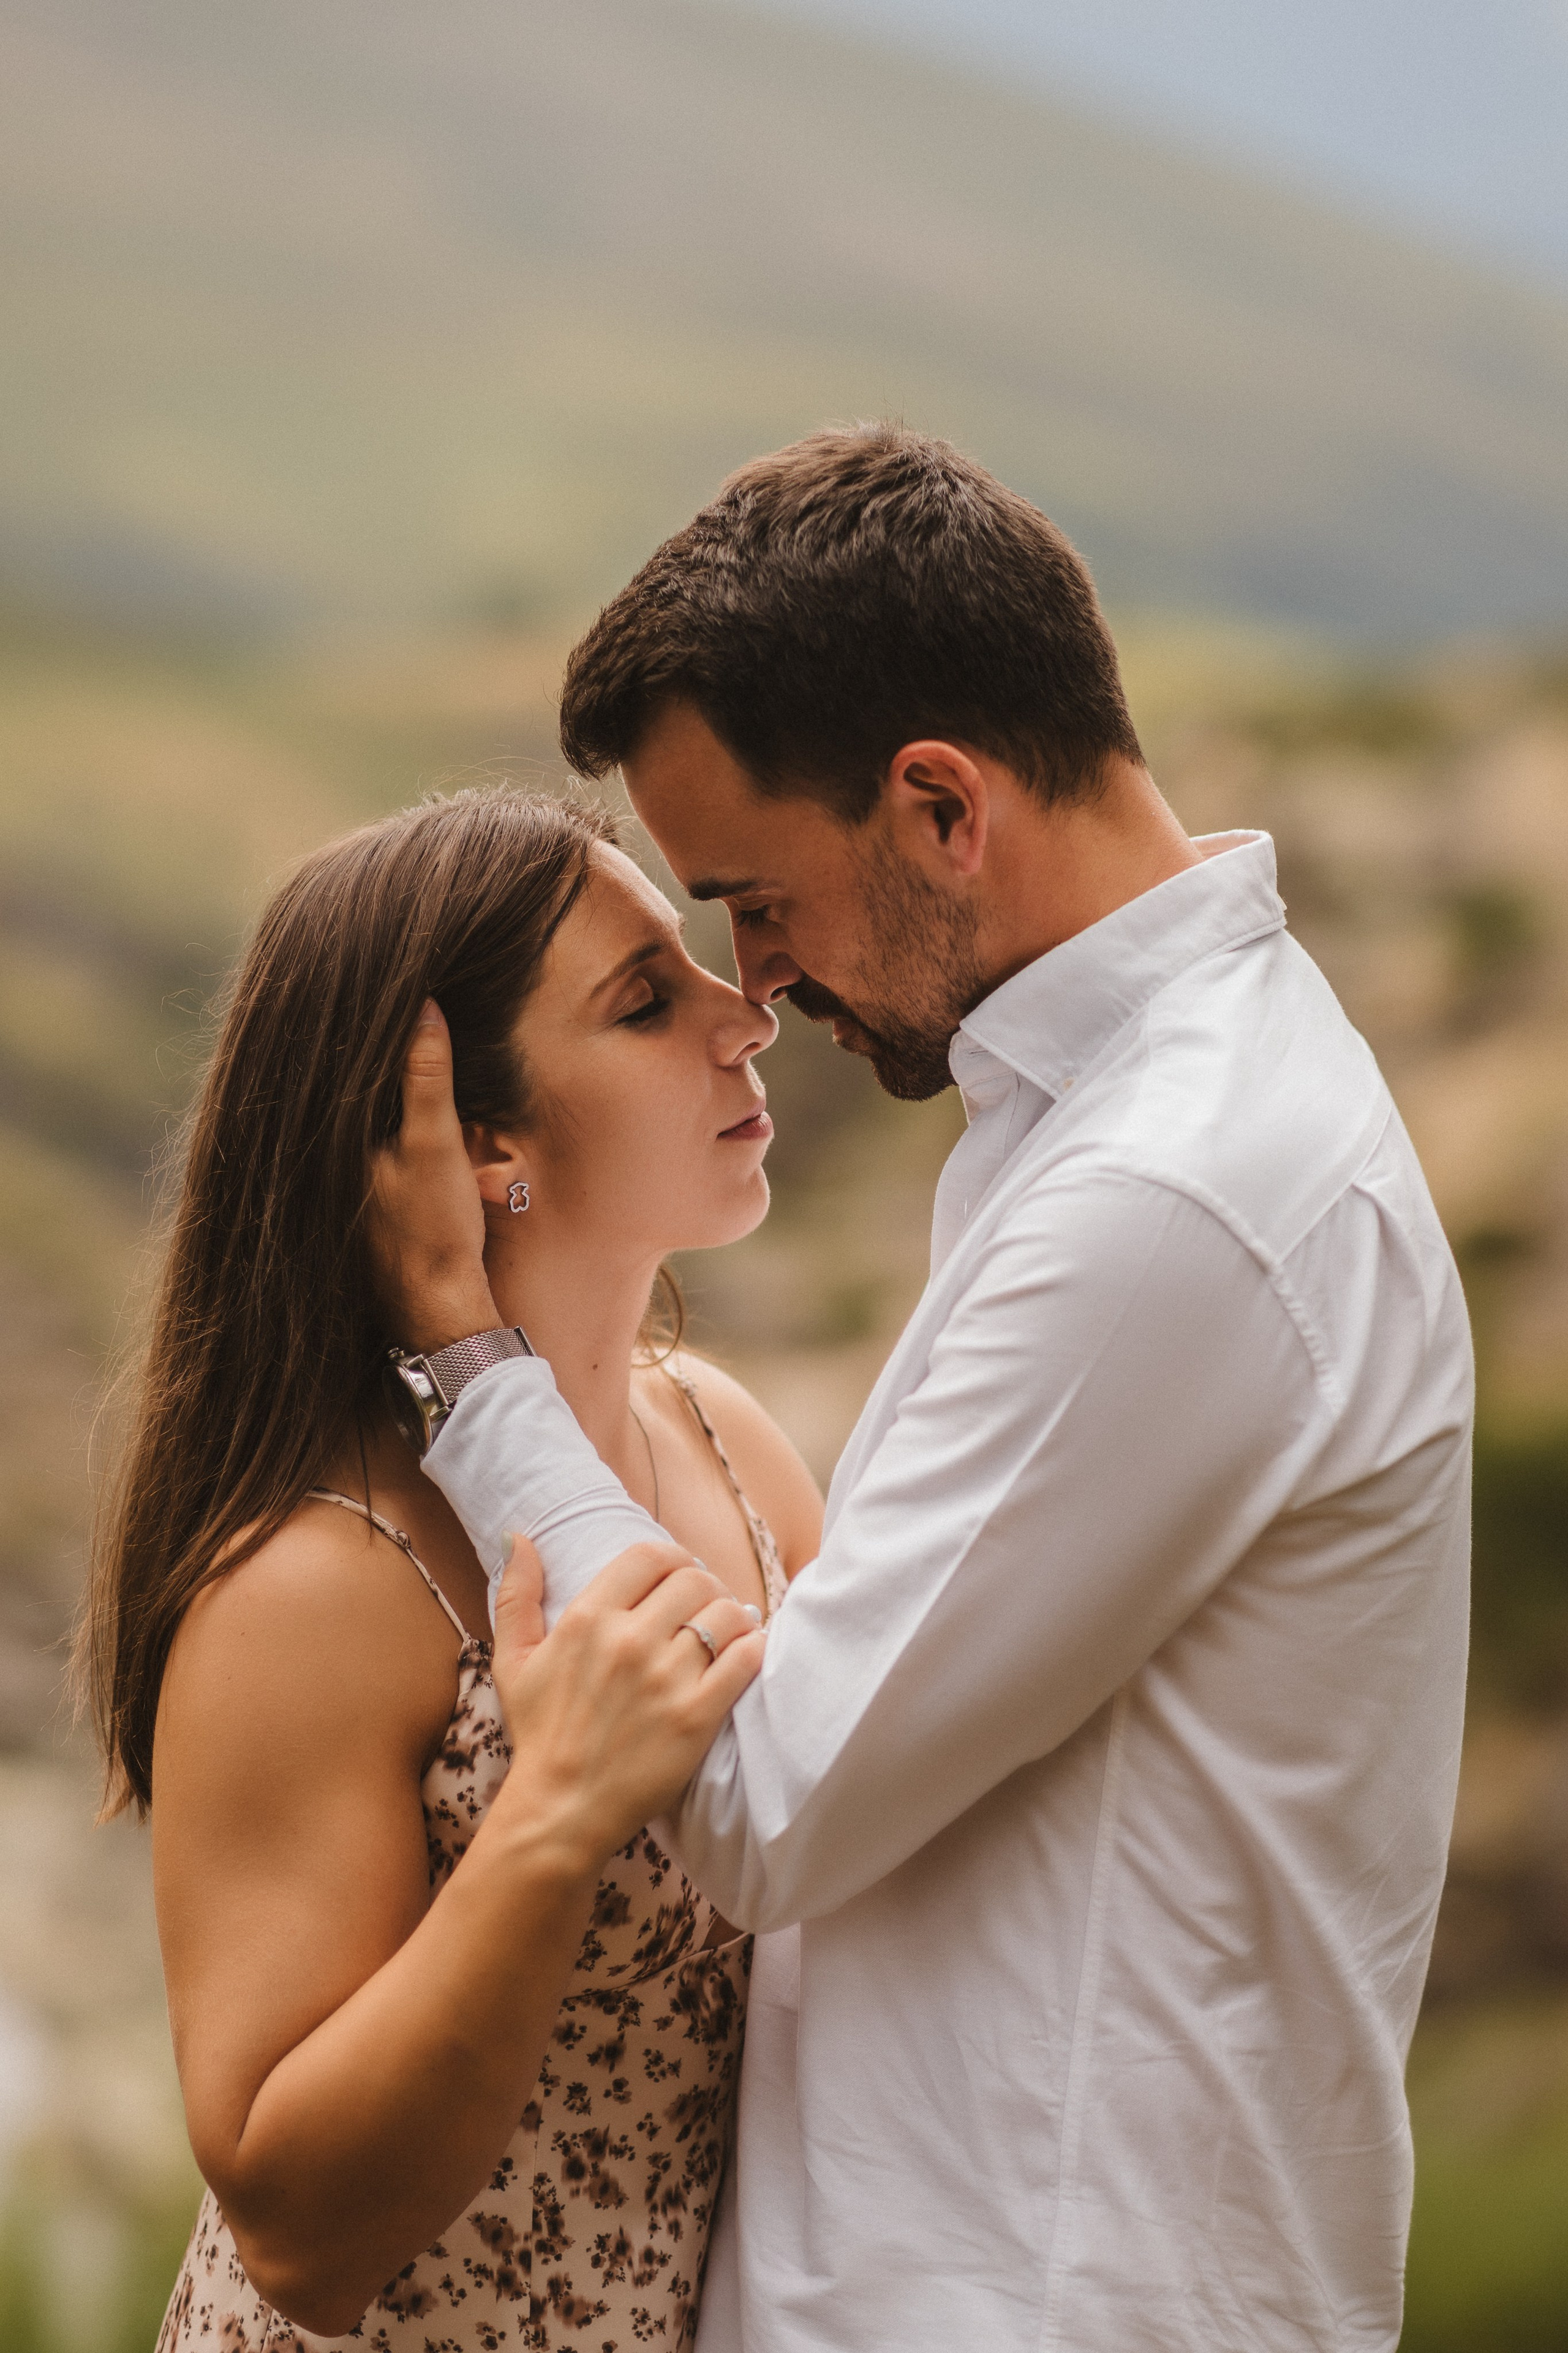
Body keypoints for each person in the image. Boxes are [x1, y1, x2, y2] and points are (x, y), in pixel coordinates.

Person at [372, 425, 1475, 2353]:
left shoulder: (1173, 1193)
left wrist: (472, 1373)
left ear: (941, 807)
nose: (757, 978)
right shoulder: (1140, 1123)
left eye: (758, 896)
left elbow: (759, 1795)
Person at [78, 788, 823, 2350]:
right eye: (643, 1001)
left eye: (700, 964)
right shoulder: (317, 1583)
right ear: (481, 1146)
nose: (743, 1012)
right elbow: (296, 2227)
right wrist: (547, 1821)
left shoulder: (732, 1451)